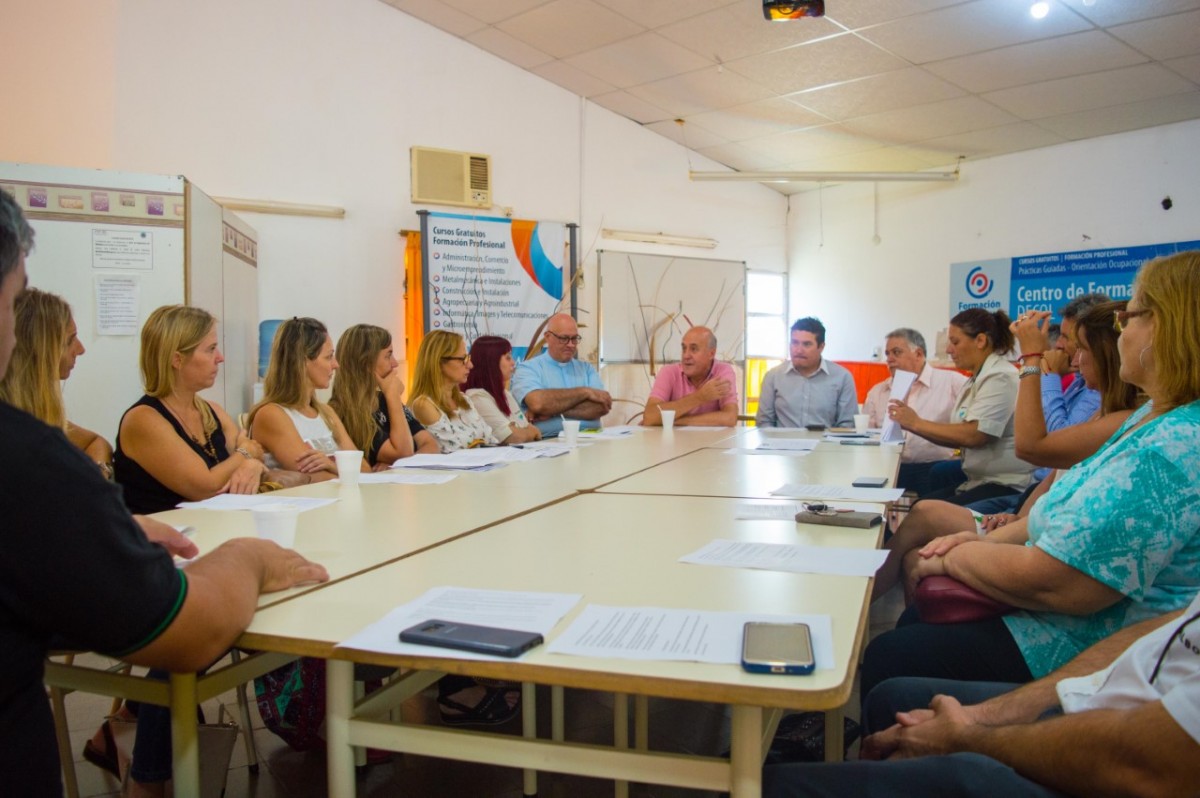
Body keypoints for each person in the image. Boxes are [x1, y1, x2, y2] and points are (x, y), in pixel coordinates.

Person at [0, 188, 329, 797]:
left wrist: (247, 459)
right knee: (182, 637)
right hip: (176, 566)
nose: (78, 350)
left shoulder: (199, 412)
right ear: (178, 359)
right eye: (15, 300)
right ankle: (148, 771)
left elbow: (246, 453)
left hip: (151, 557)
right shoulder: (123, 426)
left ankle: (135, 744)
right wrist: (250, 554)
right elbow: (185, 615)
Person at [862, 251, 1200, 699]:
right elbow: (1055, 490)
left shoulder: (1170, 446)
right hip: (1040, 568)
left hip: (1082, 641)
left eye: (1128, 317)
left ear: (1166, 327)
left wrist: (953, 556)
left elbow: (1062, 579)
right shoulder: (1148, 422)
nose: (1074, 358)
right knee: (914, 615)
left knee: (895, 656)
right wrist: (985, 541)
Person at [763, 604, 1199, 797]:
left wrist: (967, 736)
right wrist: (990, 715)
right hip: (1112, 709)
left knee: (770, 788)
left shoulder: (1170, 450)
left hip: (1131, 764)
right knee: (892, 696)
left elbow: (1152, 766)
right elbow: (1166, 631)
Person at [871, 301, 1140, 603]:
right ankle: (879, 593)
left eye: (1077, 345)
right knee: (924, 515)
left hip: (1010, 487)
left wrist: (1034, 359)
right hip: (1026, 503)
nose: (1067, 351)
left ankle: (871, 592)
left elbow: (1027, 445)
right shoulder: (1089, 396)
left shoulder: (1007, 377)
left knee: (922, 523)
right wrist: (1018, 518)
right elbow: (1054, 476)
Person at [114, 305, 272, 513]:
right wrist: (246, 452)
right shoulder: (143, 419)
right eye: (210, 349)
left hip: (217, 528)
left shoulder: (212, 410)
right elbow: (204, 487)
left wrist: (251, 463)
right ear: (177, 359)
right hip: (165, 539)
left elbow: (257, 457)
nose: (220, 358)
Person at [886, 308, 1032, 505]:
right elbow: (961, 436)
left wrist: (915, 423)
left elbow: (975, 435)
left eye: (955, 342)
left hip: (1005, 483)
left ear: (980, 341)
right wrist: (913, 423)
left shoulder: (1000, 377)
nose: (948, 350)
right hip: (978, 479)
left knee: (925, 510)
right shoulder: (975, 379)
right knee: (922, 504)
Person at [0, 286, 112, 476]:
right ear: (38, 350)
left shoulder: (36, 411)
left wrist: (96, 475)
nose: (81, 349)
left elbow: (96, 443)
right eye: (70, 340)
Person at [249, 316, 363, 482]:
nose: (336, 364)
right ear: (302, 361)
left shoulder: (326, 412)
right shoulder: (272, 414)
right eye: (328, 357)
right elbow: (316, 477)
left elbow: (364, 468)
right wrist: (343, 469)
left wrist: (332, 466)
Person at [862, 327, 967, 496]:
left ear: (918, 354)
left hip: (935, 465)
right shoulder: (878, 391)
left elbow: (970, 428)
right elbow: (867, 435)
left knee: (929, 502)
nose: (890, 359)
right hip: (888, 465)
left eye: (896, 352)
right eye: (888, 354)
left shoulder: (952, 383)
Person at [329, 323, 439, 467]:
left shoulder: (382, 398)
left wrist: (398, 466)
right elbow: (402, 453)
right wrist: (393, 396)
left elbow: (430, 444)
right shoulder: (345, 410)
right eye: (388, 355)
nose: (395, 363)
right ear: (366, 363)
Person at [511, 313, 611, 437]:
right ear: (547, 337)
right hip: (548, 442)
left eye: (574, 338)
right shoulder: (527, 368)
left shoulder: (587, 369)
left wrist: (552, 411)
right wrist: (585, 392)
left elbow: (602, 406)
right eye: (564, 338)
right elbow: (538, 403)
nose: (571, 344)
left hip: (591, 439)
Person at [755, 317, 856, 429]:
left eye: (807, 344)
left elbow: (847, 424)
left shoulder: (842, 377)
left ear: (821, 347)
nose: (798, 350)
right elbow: (764, 422)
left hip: (826, 445)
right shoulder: (773, 376)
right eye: (794, 343)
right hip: (782, 444)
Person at [409, 329, 499, 451]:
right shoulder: (424, 405)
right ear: (439, 362)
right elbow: (455, 451)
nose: (470, 365)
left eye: (468, 358)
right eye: (463, 359)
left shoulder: (464, 399)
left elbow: (492, 441)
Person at [641, 325, 738, 427]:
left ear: (711, 353)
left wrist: (673, 421)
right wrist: (700, 397)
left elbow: (730, 418)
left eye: (694, 349)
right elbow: (650, 417)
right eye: (684, 348)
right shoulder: (669, 372)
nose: (686, 355)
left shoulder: (723, 371)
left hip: (709, 441)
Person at [462, 335, 542, 444]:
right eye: (508, 358)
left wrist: (520, 430)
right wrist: (522, 431)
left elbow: (535, 430)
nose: (513, 363)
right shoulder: (477, 397)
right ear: (491, 362)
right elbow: (513, 437)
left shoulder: (505, 394)